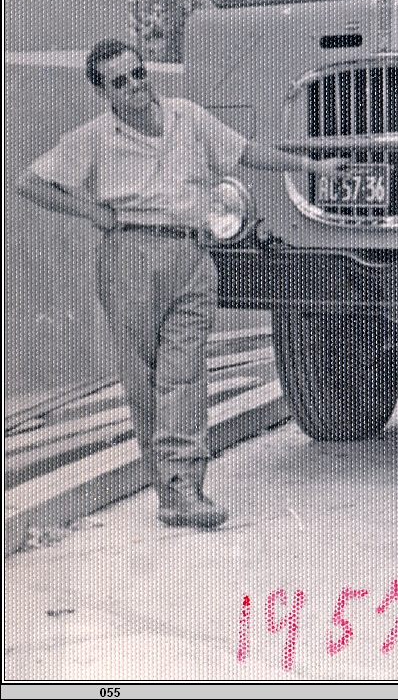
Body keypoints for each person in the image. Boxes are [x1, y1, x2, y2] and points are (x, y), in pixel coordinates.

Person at [14, 39, 346, 530]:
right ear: (103, 92)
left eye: (138, 73)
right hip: (131, 257)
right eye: (119, 82)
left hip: (193, 254)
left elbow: (245, 152)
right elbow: (30, 182)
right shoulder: (95, 138)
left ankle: (187, 488)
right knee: (146, 380)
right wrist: (93, 212)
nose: (134, 87)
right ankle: (169, 492)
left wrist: (313, 167)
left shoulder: (187, 117)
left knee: (185, 375)